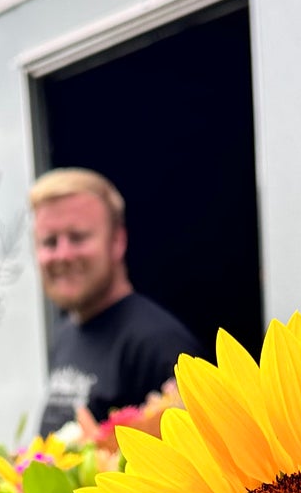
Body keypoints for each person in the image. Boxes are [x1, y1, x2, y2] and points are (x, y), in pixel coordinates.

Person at [30, 168, 198, 435]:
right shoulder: (64, 334)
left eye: (78, 237)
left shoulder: (158, 344)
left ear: (118, 241)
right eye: (49, 242)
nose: (62, 254)